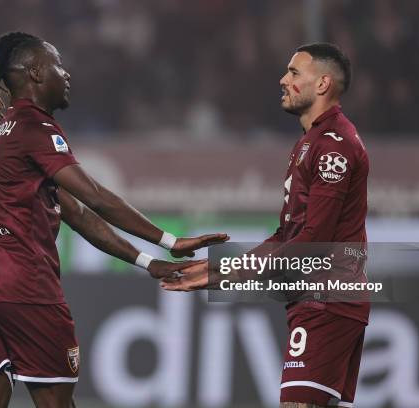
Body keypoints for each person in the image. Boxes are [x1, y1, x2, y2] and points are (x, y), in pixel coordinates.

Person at [0, 31, 228, 408]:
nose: (66, 74)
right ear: (33, 73)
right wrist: (170, 241)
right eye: (56, 65)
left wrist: (146, 262)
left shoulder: (4, 132)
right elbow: (93, 196)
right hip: (24, 288)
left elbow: (76, 214)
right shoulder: (36, 128)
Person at [162, 43, 369, 408]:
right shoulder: (309, 143)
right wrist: (218, 271)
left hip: (326, 299)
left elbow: (312, 241)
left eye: (293, 73)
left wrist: (231, 272)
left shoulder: (333, 146)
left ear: (321, 84)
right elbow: (284, 237)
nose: (283, 79)